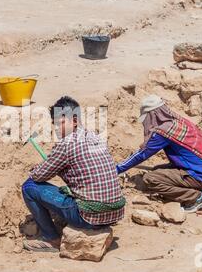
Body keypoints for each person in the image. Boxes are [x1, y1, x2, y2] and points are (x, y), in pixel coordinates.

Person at [22, 96, 125, 252]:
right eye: (54, 124)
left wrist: (37, 169)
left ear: (75, 121)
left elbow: (38, 177)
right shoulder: (95, 137)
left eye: (60, 123)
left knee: (29, 187)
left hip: (89, 217)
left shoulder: (66, 144)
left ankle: (51, 239)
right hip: (115, 213)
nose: (56, 128)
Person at [116, 95, 202, 213]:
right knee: (157, 170)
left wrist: (117, 169)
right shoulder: (178, 122)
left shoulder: (164, 132)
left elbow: (142, 154)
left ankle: (197, 197)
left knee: (151, 178)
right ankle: (198, 190)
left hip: (201, 177)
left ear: (153, 115)